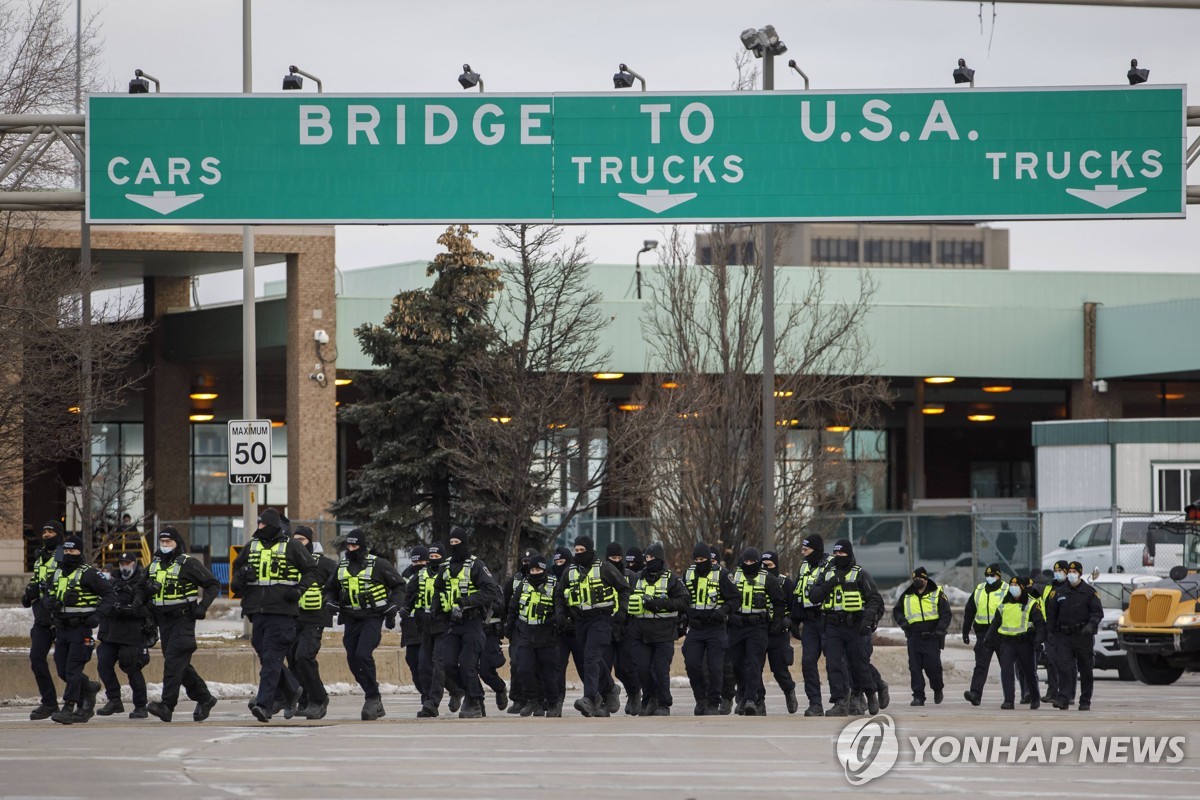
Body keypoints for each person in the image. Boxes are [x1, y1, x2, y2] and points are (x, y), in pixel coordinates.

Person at [231, 507, 317, 723]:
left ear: (272, 526)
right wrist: (240, 579)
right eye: (258, 524)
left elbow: (311, 570)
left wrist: (298, 590)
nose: (259, 528)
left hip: (282, 612)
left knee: (271, 658)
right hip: (257, 613)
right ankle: (291, 688)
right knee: (265, 656)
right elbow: (237, 569)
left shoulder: (292, 546)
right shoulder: (252, 546)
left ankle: (264, 705)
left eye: (263, 525)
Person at [325, 528, 405, 720]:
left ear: (362, 546)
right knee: (353, 660)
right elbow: (330, 589)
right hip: (350, 618)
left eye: (354, 545)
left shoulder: (379, 564)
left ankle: (372, 698)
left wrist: (392, 606)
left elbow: (400, 585)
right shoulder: (342, 566)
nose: (351, 549)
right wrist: (329, 601)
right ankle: (373, 693)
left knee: (363, 653)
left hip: (372, 617)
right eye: (348, 545)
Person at [146, 527, 221, 723]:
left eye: (168, 542)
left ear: (177, 543)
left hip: (183, 620)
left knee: (173, 661)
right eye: (162, 542)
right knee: (179, 664)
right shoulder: (155, 564)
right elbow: (142, 586)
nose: (164, 546)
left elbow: (212, 584)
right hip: (164, 621)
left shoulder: (188, 563)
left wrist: (203, 606)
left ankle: (166, 706)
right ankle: (205, 698)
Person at [427, 528, 503, 719]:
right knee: (449, 663)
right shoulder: (445, 567)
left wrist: (467, 601)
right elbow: (438, 589)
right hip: (452, 623)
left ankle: (475, 701)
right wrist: (435, 608)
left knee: (468, 663)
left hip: (473, 622)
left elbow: (490, 591)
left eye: (457, 543)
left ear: (464, 543)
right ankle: (467, 693)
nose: (454, 547)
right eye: (451, 543)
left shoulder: (476, 565)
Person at [555, 534, 630, 717]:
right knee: (592, 659)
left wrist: (622, 611)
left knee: (590, 657)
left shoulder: (605, 568)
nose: (579, 553)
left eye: (582, 550)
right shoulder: (570, 571)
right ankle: (611, 688)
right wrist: (560, 614)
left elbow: (624, 588)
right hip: (580, 622)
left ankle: (590, 697)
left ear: (590, 550)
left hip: (601, 620)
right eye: (577, 550)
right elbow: (558, 594)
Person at [807, 539, 883, 717]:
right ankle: (840, 702)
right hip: (833, 625)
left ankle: (870, 693)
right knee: (833, 664)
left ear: (848, 554)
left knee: (858, 665)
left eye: (842, 553)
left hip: (855, 626)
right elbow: (813, 597)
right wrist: (828, 585)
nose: (838, 556)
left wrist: (868, 619)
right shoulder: (826, 574)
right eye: (836, 553)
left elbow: (874, 598)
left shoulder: (860, 574)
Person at [47, 536, 114, 724]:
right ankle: (89, 688)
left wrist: (98, 616)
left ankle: (68, 708)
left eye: (72, 551)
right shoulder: (58, 573)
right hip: (62, 629)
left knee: (73, 670)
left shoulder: (89, 574)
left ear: (80, 552)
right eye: (66, 551)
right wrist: (49, 602)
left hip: (81, 629)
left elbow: (109, 594)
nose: (68, 555)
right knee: (63, 670)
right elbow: (48, 594)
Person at [627, 542, 688, 715]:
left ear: (660, 559)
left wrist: (660, 604)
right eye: (646, 557)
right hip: (640, 633)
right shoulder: (637, 578)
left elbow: (684, 601)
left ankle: (664, 704)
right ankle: (649, 699)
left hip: (663, 633)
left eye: (652, 557)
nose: (648, 560)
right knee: (642, 669)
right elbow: (627, 598)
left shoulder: (672, 579)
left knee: (660, 670)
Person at [727, 547, 787, 716]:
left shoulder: (767, 579)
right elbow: (726, 598)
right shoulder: (733, 577)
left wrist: (777, 620)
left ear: (757, 563)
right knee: (736, 664)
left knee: (753, 663)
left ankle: (751, 699)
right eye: (746, 562)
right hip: (737, 625)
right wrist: (730, 615)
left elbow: (779, 602)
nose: (748, 564)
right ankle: (742, 695)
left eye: (752, 562)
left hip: (757, 626)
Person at [681, 541, 735, 716]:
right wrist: (686, 613)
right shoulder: (688, 575)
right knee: (692, 664)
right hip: (696, 628)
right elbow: (681, 597)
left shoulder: (722, 575)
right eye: (696, 559)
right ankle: (700, 699)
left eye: (702, 558)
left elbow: (735, 599)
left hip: (715, 627)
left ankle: (713, 702)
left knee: (715, 667)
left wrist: (723, 611)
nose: (699, 562)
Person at [95, 552, 151, 718]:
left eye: (128, 563)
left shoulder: (142, 582)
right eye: (122, 563)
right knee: (103, 664)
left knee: (131, 667)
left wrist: (126, 608)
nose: (124, 566)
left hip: (131, 634)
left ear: (134, 563)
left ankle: (141, 706)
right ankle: (114, 700)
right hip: (111, 632)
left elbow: (148, 609)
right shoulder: (113, 582)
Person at [289, 526, 337, 720]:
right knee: (292, 659)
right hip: (293, 619)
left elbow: (337, 584)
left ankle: (319, 699)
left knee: (304, 657)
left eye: (302, 540)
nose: (298, 543)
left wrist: (330, 601)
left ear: (309, 541)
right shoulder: (290, 562)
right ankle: (306, 699)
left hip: (315, 619)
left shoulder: (324, 564)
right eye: (295, 540)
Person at [507, 554, 563, 716]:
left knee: (548, 674)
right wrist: (509, 628)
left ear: (544, 569)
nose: (535, 572)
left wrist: (551, 618)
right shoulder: (522, 586)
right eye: (532, 569)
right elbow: (513, 608)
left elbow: (561, 609)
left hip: (547, 636)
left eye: (538, 569)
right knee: (523, 669)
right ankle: (533, 701)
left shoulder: (554, 586)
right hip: (525, 634)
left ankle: (553, 703)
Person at [1047, 560, 1103, 711]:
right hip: (1064, 636)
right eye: (1070, 572)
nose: (1071, 575)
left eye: (1074, 572)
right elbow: (1052, 614)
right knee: (1064, 667)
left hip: (1082, 636)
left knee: (1085, 669)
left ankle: (1085, 700)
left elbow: (1097, 612)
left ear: (1079, 574)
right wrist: (1050, 632)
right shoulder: (1059, 592)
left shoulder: (1089, 592)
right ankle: (1063, 698)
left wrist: (1091, 625)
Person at [22, 521, 65, 720]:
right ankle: (49, 702)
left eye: (51, 531)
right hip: (42, 617)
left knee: (64, 665)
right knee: (36, 659)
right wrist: (30, 591)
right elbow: (38, 580)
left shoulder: (64, 555)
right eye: (45, 531)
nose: (47, 534)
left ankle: (83, 694)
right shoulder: (40, 557)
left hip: (61, 617)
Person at [892, 566, 951, 706]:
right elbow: (897, 611)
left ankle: (937, 688)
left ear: (926, 579)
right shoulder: (906, 595)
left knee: (933, 667)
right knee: (915, 668)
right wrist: (904, 624)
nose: (917, 581)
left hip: (932, 637)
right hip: (914, 637)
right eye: (915, 578)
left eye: (920, 578)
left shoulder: (937, 593)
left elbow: (946, 614)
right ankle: (918, 696)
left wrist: (940, 631)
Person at [985, 576, 1045, 710]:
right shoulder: (1003, 604)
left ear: (1023, 587)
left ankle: (1035, 698)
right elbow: (995, 624)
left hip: (1025, 642)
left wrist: (1038, 640)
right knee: (1006, 671)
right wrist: (988, 638)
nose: (1013, 587)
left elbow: (1040, 624)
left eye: (1016, 585)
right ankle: (1008, 700)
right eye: (1011, 584)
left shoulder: (1031, 604)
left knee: (1029, 672)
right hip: (1007, 643)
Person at [790, 534, 830, 717]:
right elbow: (798, 592)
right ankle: (815, 703)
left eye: (807, 550)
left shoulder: (830, 565)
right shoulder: (805, 566)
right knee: (807, 662)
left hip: (828, 620)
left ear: (817, 550)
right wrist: (794, 619)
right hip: (810, 622)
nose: (803, 553)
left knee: (836, 662)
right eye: (803, 550)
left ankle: (846, 698)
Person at [962, 564, 1008, 707]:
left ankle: (1009, 698)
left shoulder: (1007, 590)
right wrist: (965, 630)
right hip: (984, 634)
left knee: (1006, 666)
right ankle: (975, 694)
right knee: (980, 665)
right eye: (987, 575)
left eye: (993, 575)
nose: (990, 578)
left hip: (1002, 633)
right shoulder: (979, 590)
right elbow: (969, 610)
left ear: (999, 576)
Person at [760, 550, 799, 714]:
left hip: (778, 633)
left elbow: (795, 606)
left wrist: (788, 620)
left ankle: (789, 690)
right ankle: (758, 702)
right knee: (754, 668)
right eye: (763, 565)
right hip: (759, 630)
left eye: (769, 566)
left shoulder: (785, 583)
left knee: (779, 670)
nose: (765, 569)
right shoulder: (757, 581)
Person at [503, 547, 539, 715]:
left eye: (530, 562)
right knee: (516, 663)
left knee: (538, 664)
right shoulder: (514, 581)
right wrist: (506, 627)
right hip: (519, 627)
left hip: (540, 627)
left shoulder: (547, 579)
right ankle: (518, 699)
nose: (527, 565)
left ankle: (539, 698)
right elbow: (505, 605)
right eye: (524, 562)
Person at [606, 540, 638, 715]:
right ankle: (607, 696)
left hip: (626, 627)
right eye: (612, 557)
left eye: (619, 557)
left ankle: (634, 693)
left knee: (625, 667)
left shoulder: (631, 576)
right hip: (606, 626)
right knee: (604, 665)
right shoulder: (601, 575)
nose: (616, 561)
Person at [400, 546, 430, 705]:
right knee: (412, 661)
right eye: (415, 561)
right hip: (411, 625)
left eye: (421, 561)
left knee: (425, 664)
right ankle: (425, 693)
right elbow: (401, 595)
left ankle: (429, 697)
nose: (418, 563)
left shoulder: (434, 574)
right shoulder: (406, 575)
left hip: (428, 624)